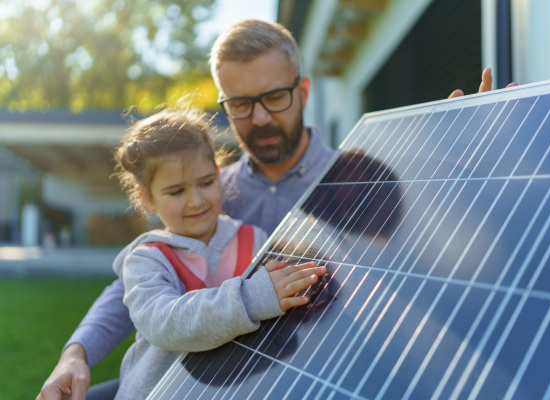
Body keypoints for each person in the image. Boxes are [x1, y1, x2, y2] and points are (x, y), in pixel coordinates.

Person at [36, 19, 509, 400]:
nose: (260, 117)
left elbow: (433, 258)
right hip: (198, 379)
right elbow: (137, 286)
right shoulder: (210, 193)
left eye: (275, 97)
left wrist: (461, 157)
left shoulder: (361, 181)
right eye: (241, 104)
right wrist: (75, 353)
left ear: (303, 91)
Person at [106, 107, 326, 399]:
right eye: (176, 191)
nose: (196, 201)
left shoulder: (255, 239)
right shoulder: (146, 259)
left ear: (219, 175)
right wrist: (252, 298)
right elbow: (165, 324)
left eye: (206, 182)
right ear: (148, 199)